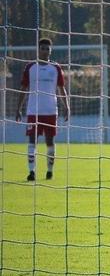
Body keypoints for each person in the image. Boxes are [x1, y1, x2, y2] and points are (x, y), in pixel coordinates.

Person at [15, 37, 70, 181]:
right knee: (32, 140)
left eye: (47, 49)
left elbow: (61, 89)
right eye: (43, 48)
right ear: (38, 50)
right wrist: (18, 108)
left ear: (50, 51)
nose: (45, 51)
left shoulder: (56, 68)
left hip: (51, 111)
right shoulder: (30, 67)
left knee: (50, 142)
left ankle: (49, 171)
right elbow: (24, 89)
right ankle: (32, 172)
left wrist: (67, 106)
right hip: (33, 111)